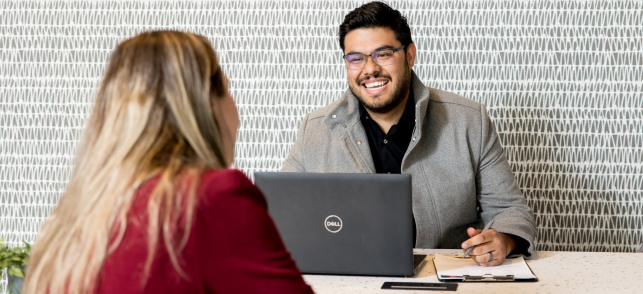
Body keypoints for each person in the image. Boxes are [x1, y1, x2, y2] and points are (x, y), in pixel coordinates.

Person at [23, 31, 314, 294]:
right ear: (206, 104)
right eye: (228, 90)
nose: (238, 114)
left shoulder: (79, 210)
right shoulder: (213, 198)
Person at [281, 1, 537, 267]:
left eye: (383, 54)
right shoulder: (315, 128)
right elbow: (280, 211)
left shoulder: (470, 121)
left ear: (410, 55)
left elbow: (511, 210)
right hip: (350, 278)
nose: (370, 69)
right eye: (356, 58)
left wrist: (504, 240)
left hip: (445, 276)